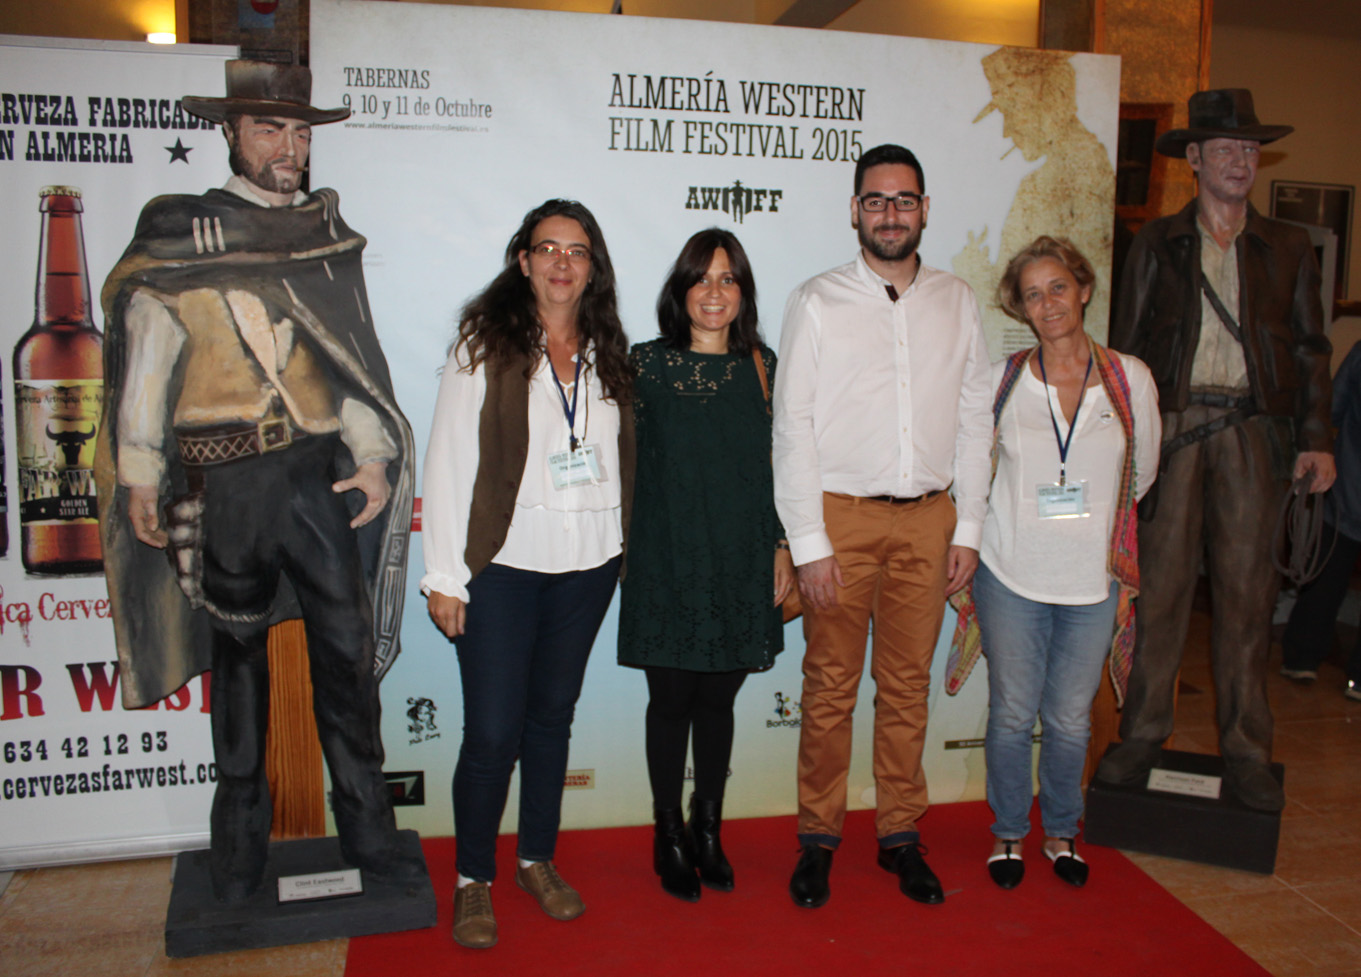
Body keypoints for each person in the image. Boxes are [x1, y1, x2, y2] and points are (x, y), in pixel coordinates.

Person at [96, 60, 420, 903]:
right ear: (231, 133)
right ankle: (238, 851)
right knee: (236, 666)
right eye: (271, 128)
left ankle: (370, 837)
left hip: (312, 477)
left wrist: (371, 456)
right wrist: (140, 476)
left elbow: (345, 360)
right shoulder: (180, 234)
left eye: (301, 131)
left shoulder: (322, 234)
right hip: (223, 484)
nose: (290, 147)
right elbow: (148, 362)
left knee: (346, 659)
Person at [1096, 89, 1335, 812]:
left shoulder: (1288, 246)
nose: (1241, 160)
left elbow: (1311, 348)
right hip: (1173, 431)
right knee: (1161, 591)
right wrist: (1125, 442)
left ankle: (1247, 749)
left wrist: (1316, 439)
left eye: (1250, 149)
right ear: (1194, 158)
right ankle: (1141, 734)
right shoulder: (1156, 243)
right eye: (1226, 148)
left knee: (1248, 597)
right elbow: (1126, 349)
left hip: (1254, 434)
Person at [773, 143, 992, 909]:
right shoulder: (816, 300)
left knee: (905, 686)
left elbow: (975, 421)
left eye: (903, 200)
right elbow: (791, 427)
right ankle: (817, 837)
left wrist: (968, 528)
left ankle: (899, 832)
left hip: (929, 521)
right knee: (829, 687)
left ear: (924, 209)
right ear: (854, 210)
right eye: (875, 200)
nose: (889, 213)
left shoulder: (957, 300)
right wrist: (808, 544)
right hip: (839, 520)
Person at [422, 199, 633, 949]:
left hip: (588, 565)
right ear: (524, 260)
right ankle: (472, 879)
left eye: (576, 251)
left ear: (592, 267)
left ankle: (535, 859)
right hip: (503, 567)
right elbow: (448, 459)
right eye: (548, 248)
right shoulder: (483, 344)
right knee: (492, 732)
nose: (561, 263)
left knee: (551, 718)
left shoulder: (610, 350)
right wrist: (444, 575)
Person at [946, 237, 1160, 889]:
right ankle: (1009, 831)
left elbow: (1142, 471)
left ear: (1084, 289)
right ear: (1021, 308)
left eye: (1058, 287)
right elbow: (971, 473)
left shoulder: (1129, 378)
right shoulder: (1000, 380)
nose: (1048, 304)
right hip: (1010, 574)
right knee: (1013, 712)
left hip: (1092, 582)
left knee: (1070, 718)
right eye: (1032, 295)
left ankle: (1062, 831)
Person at [618, 228, 795, 902]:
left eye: (728, 279)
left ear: (743, 292)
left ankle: (707, 828)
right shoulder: (645, 364)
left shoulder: (763, 365)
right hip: (665, 558)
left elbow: (781, 466)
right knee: (669, 702)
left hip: (741, 558)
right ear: (680, 290)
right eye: (701, 278)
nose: (714, 292)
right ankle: (667, 832)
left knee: (718, 700)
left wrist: (781, 545)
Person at [1280, 339, 1361, 701]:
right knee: (1327, 575)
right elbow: (1332, 410)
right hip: (1348, 489)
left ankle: (1304, 657)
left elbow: (1334, 409)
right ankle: (1305, 656)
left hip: (1347, 487)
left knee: (1327, 575)